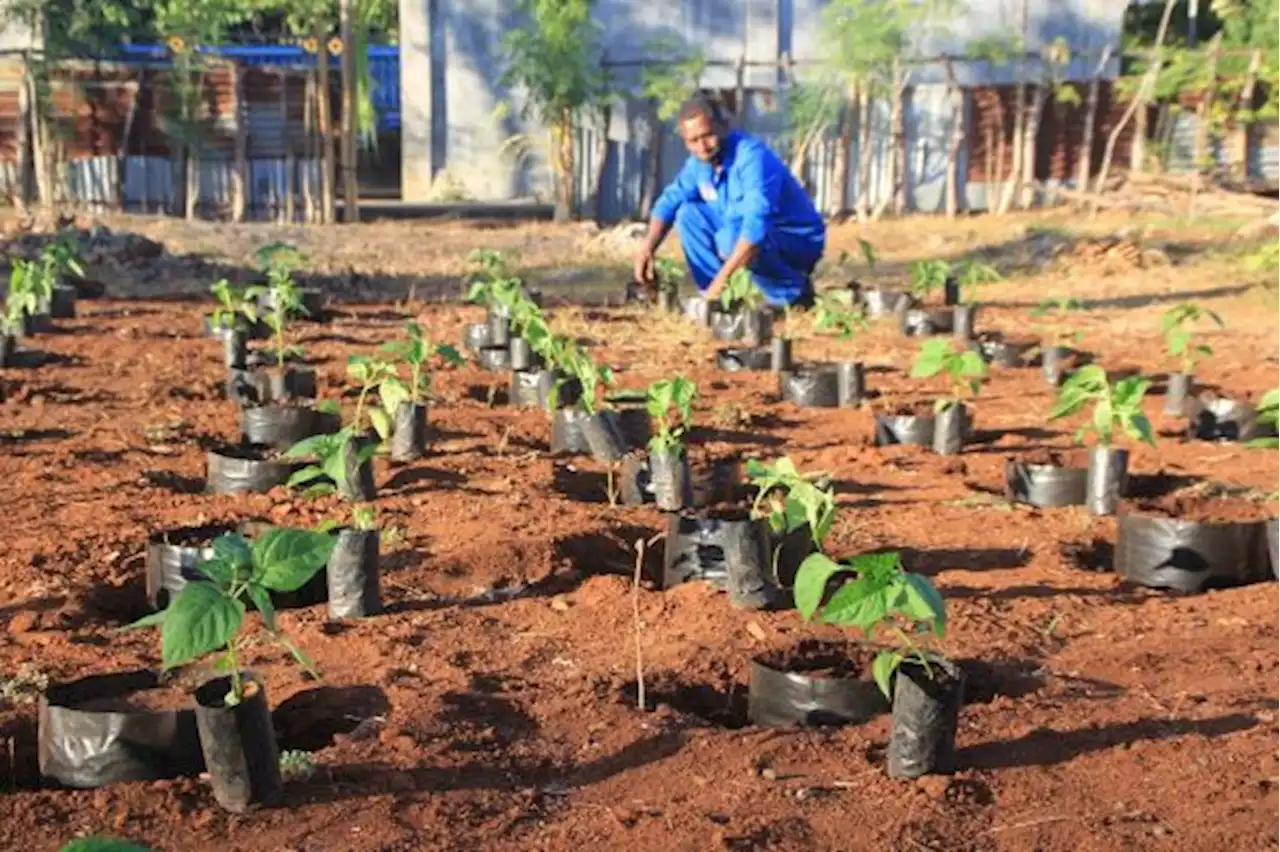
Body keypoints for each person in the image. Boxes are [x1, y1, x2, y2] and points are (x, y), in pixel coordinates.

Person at [633, 94, 826, 309]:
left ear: (724, 127)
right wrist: (647, 248)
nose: (702, 147)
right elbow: (669, 202)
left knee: (730, 238)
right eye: (693, 141)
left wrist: (720, 284)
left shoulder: (752, 158)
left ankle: (791, 296)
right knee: (688, 215)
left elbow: (755, 229)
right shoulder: (698, 164)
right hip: (740, 230)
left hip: (795, 239)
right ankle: (720, 305)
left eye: (707, 136)